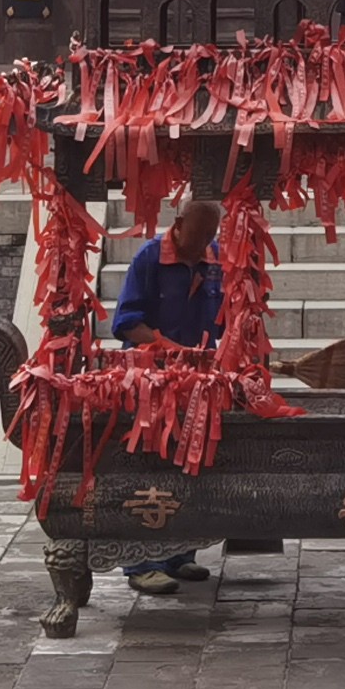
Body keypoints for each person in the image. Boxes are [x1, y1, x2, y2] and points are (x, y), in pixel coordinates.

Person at [111, 198, 223, 596]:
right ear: (178, 225)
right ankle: (142, 563)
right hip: (151, 381)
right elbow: (125, 323)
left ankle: (180, 554)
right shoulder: (149, 259)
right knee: (149, 464)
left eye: (212, 235)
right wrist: (167, 347)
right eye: (200, 234)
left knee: (191, 463)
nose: (206, 243)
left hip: (198, 380)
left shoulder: (214, 259)